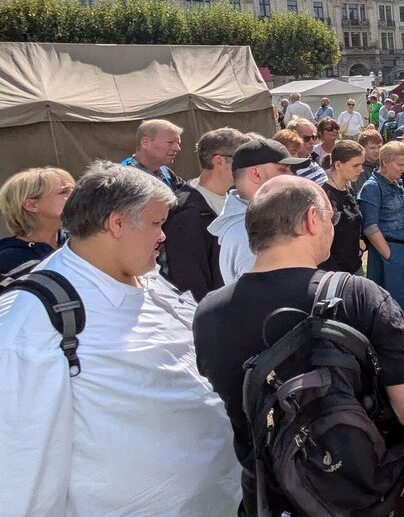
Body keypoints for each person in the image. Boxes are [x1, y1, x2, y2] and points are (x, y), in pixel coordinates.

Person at [193, 175, 404, 515]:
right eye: (331, 217)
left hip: (270, 498)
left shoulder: (209, 313)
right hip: (359, 496)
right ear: (313, 219)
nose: (334, 226)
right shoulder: (358, 295)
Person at [0, 161, 242, 515]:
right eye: (157, 224)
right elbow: (22, 465)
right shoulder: (34, 319)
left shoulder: (147, 277)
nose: (163, 236)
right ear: (116, 223)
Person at [163, 127, 249, 300]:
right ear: (219, 161)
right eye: (241, 159)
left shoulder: (229, 198)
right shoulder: (187, 212)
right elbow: (190, 282)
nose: (247, 165)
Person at [209, 138, 305, 284]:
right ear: (256, 174)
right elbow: (265, 298)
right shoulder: (246, 233)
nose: (292, 175)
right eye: (283, 169)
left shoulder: (256, 223)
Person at [358, 141, 404, 308]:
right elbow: (370, 227)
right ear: (384, 161)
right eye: (400, 165)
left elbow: (401, 210)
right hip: (389, 251)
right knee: (395, 305)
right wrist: (390, 257)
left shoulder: (397, 181)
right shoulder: (372, 187)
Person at [0, 167, 73, 276]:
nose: (74, 195)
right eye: (64, 192)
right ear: (31, 205)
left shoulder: (79, 240)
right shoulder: (8, 260)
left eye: (74, 190)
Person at [321, 140, 365, 274]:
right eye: (355, 165)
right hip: (334, 272)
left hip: (355, 266)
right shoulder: (324, 198)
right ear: (338, 165)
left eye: (361, 165)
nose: (361, 170)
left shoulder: (349, 191)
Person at [121, 118, 184, 190]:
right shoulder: (123, 179)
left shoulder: (165, 172)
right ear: (145, 142)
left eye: (178, 143)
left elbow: (189, 195)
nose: (177, 148)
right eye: (170, 142)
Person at [283, 119, 329, 184]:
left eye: (313, 137)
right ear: (293, 139)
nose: (312, 141)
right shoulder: (289, 169)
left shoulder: (314, 157)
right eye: (306, 138)